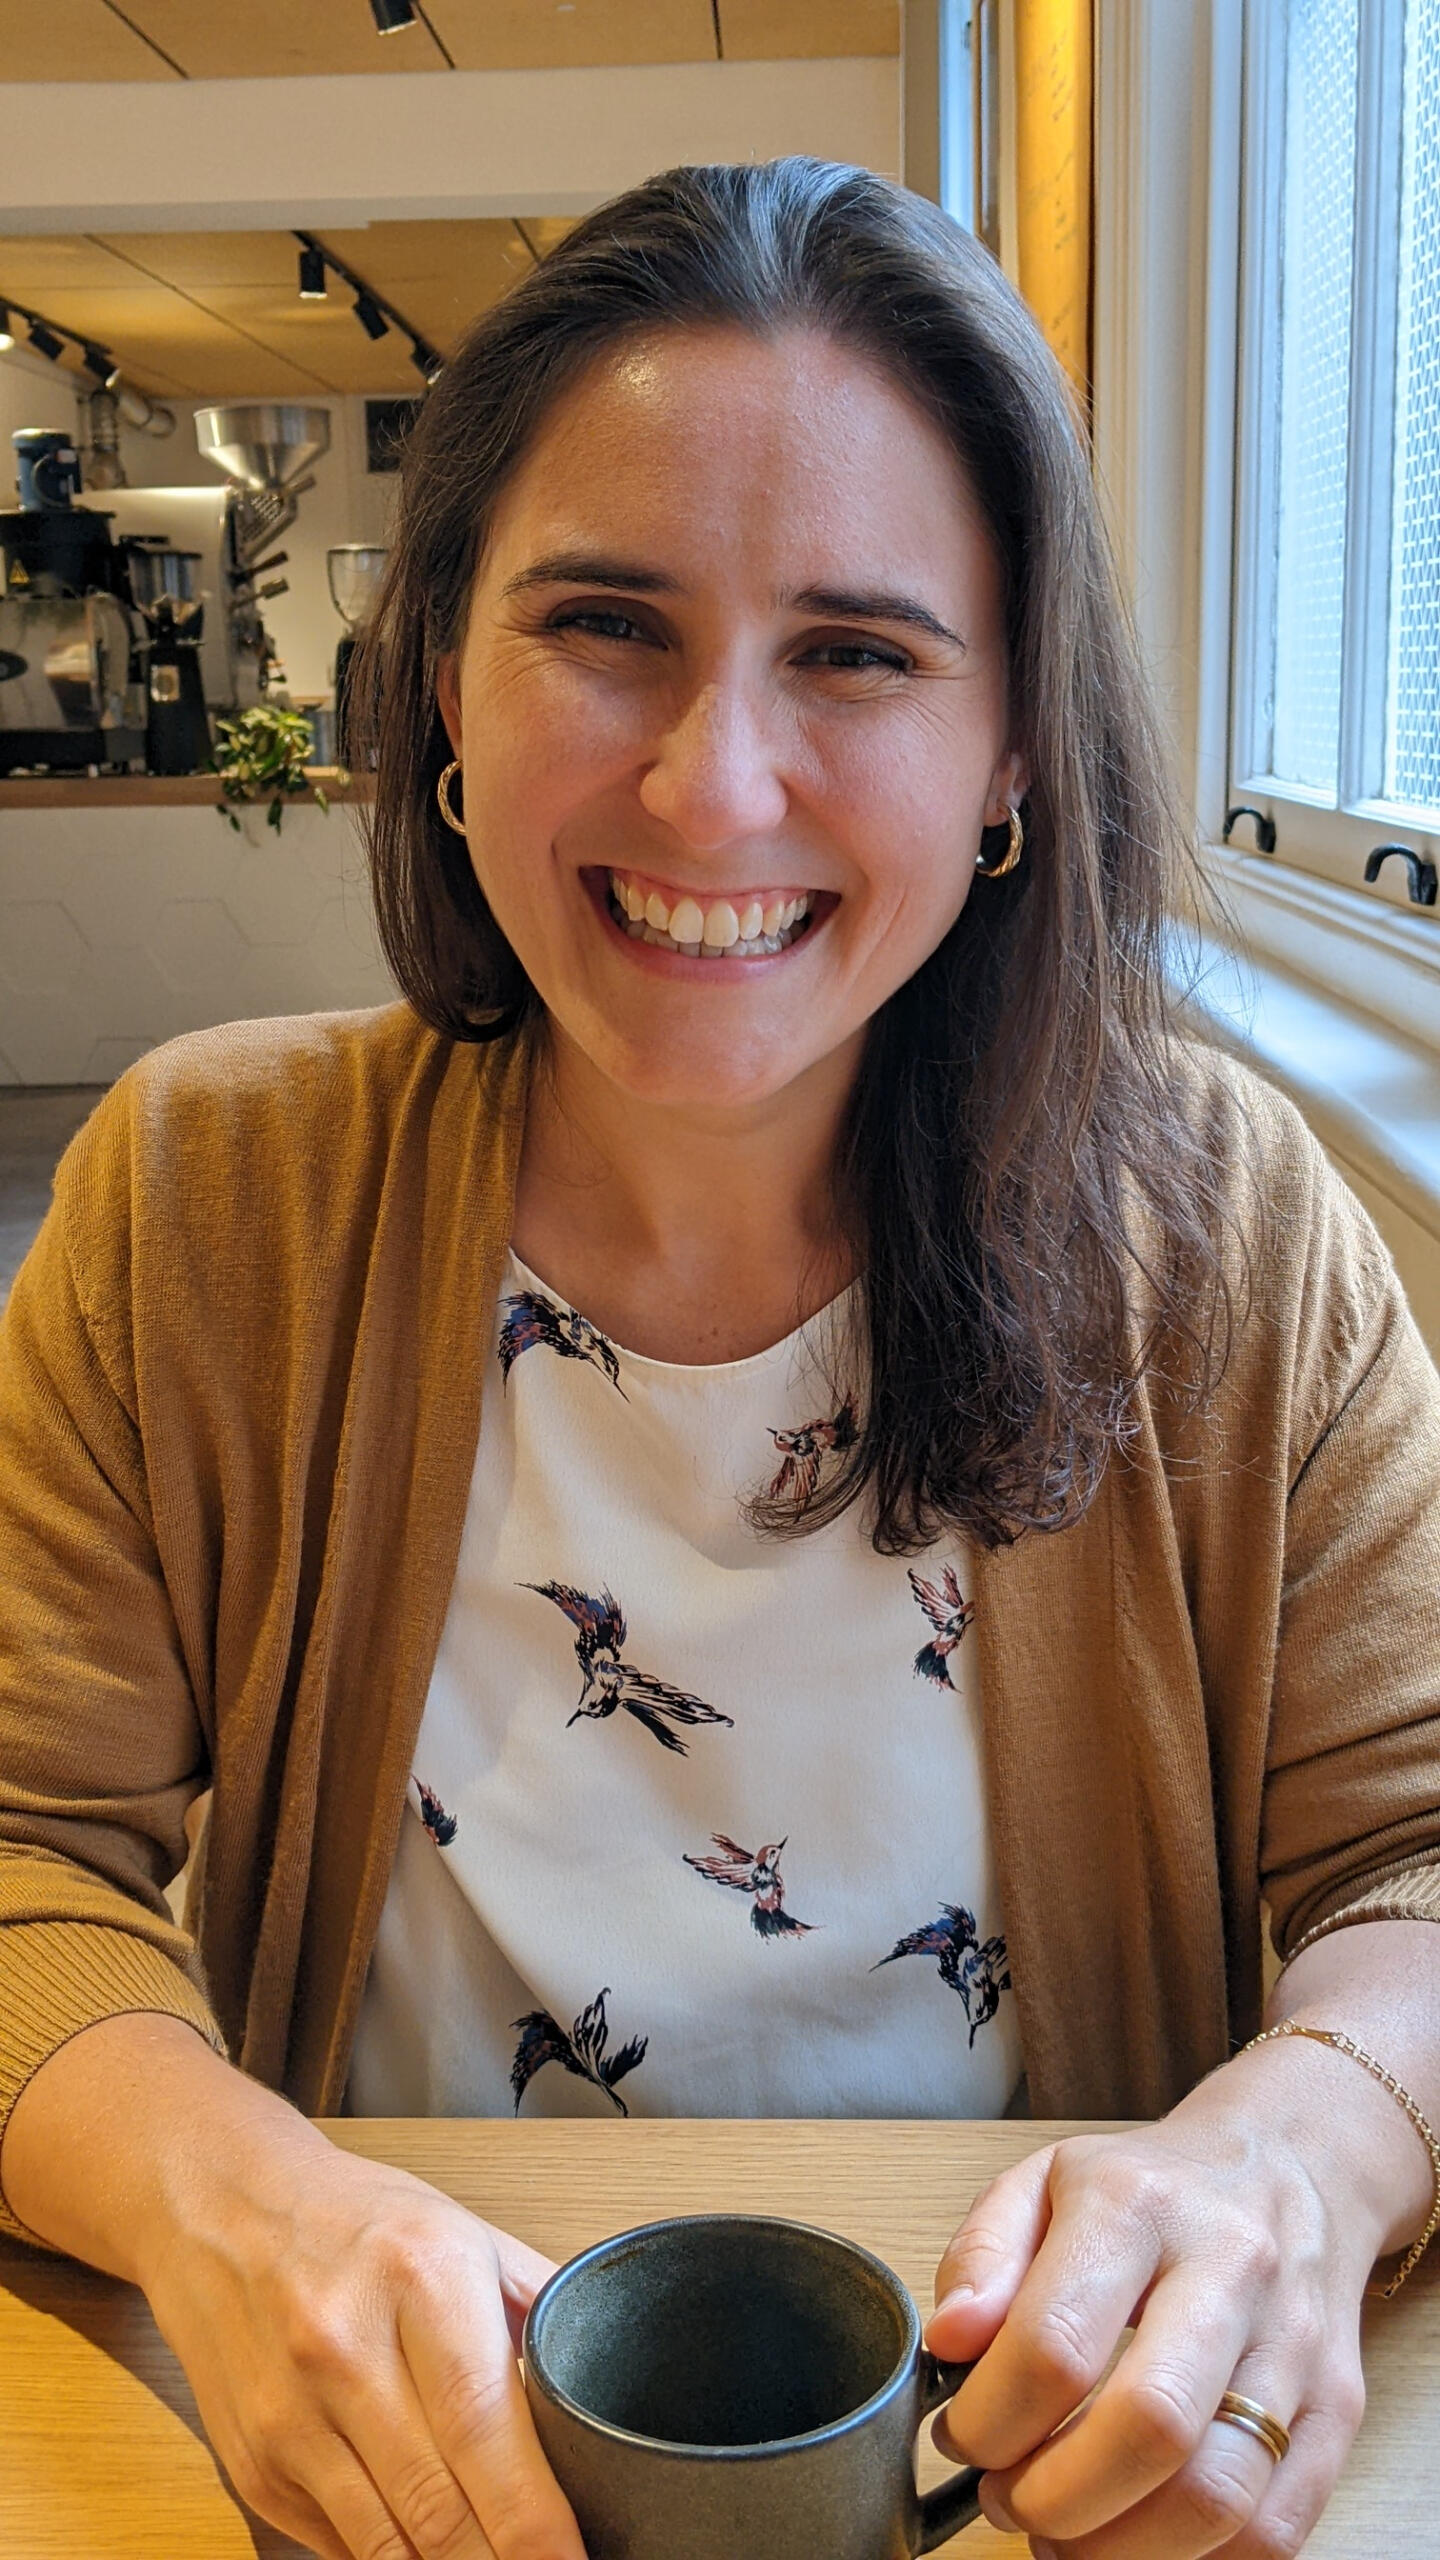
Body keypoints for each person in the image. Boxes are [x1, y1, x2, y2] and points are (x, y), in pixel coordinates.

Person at [1, 156, 1437, 2560]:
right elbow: (23, 1845)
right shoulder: (199, 1202)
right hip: (392, 2487)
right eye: (606, 627)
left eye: (859, 653)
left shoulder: (1233, 1238)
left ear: (1008, 761)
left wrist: (1303, 2146)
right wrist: (228, 2200)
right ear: (439, 677)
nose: (714, 785)